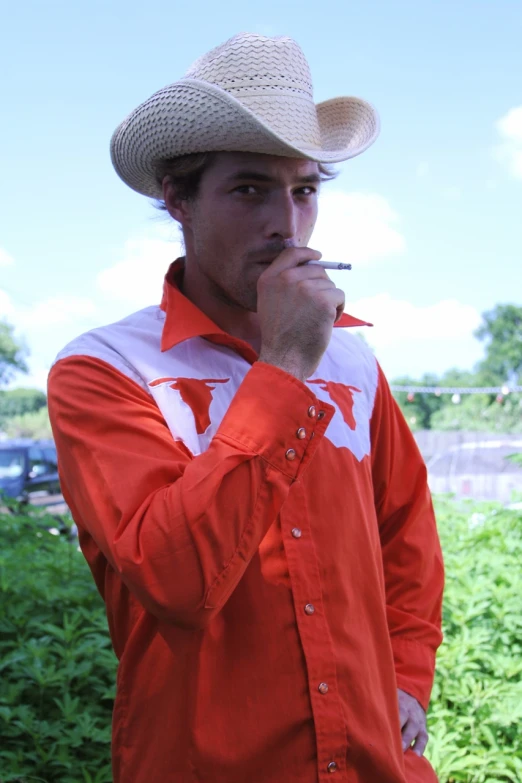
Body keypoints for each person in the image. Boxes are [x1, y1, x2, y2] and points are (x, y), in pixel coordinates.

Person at [48, 32, 444, 783]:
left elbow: (407, 535)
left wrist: (408, 674)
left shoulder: (355, 362)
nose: (287, 227)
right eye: (249, 189)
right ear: (177, 197)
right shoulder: (104, 371)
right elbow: (179, 582)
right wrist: (286, 365)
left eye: (303, 189)